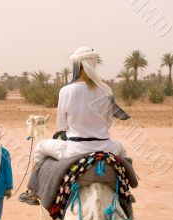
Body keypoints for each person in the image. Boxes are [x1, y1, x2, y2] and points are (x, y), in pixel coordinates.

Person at [19, 47, 130, 205]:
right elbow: (108, 123)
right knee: (123, 151)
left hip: (75, 150)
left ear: (77, 67)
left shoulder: (66, 91)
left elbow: (61, 125)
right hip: (106, 147)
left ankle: (32, 191)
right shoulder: (107, 92)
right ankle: (125, 193)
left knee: (40, 147)